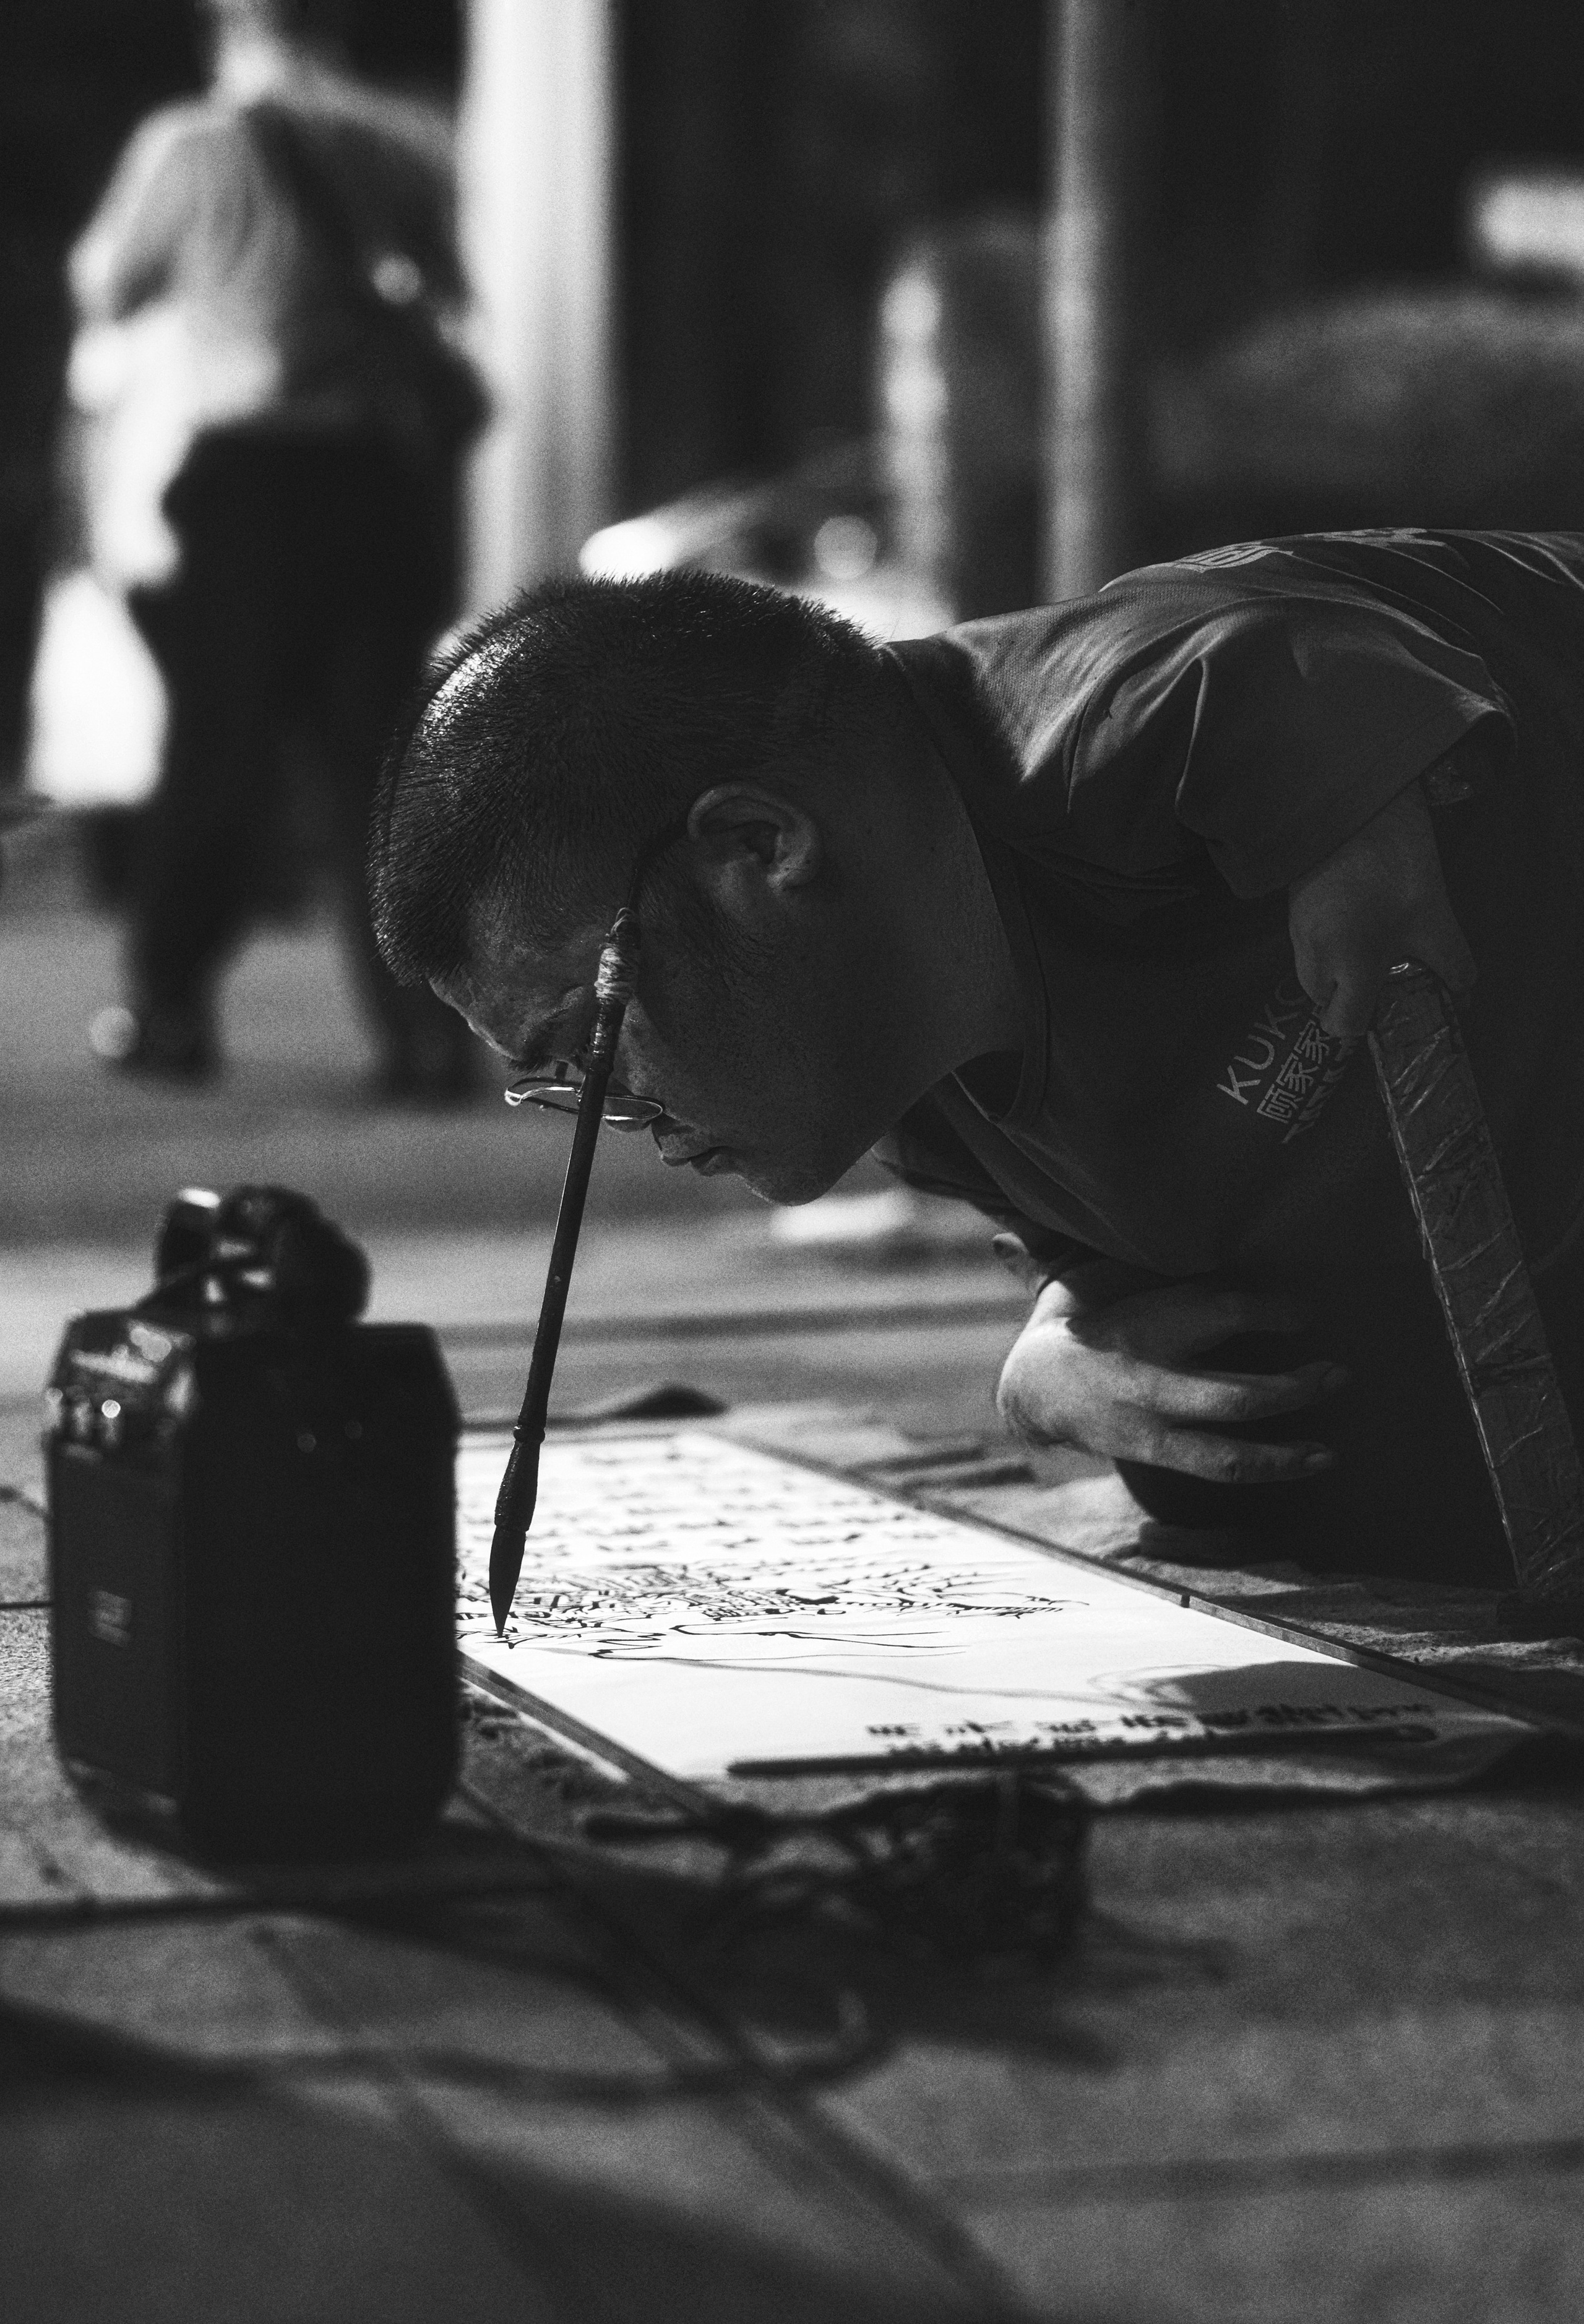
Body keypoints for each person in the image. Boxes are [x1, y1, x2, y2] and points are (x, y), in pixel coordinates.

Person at [366, 532, 1584, 1583]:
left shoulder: (1088, 719)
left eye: (592, 1040)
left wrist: (1358, 831)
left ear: (757, 843)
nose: (619, 1117)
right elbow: (1124, 1264)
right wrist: (1054, 1350)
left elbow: (1276, 653)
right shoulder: (914, 1093)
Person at [67, 0, 483, 1095]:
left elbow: (113, 286)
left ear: (236, 29)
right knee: (378, 766)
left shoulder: (192, 148)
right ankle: (421, 1033)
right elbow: (447, 293)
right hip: (378, 485)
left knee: (219, 750)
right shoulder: (400, 145)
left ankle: (168, 1010)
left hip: (251, 480)